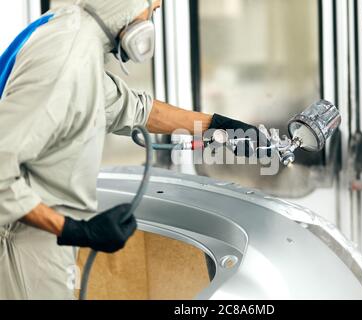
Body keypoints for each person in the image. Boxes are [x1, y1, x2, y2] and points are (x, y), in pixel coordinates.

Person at [0, 0, 269, 299]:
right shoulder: (67, 57)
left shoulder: (76, 35)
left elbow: (135, 110)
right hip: (25, 237)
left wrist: (219, 125)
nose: (151, 18)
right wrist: (73, 229)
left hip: (43, 234)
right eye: (152, 9)